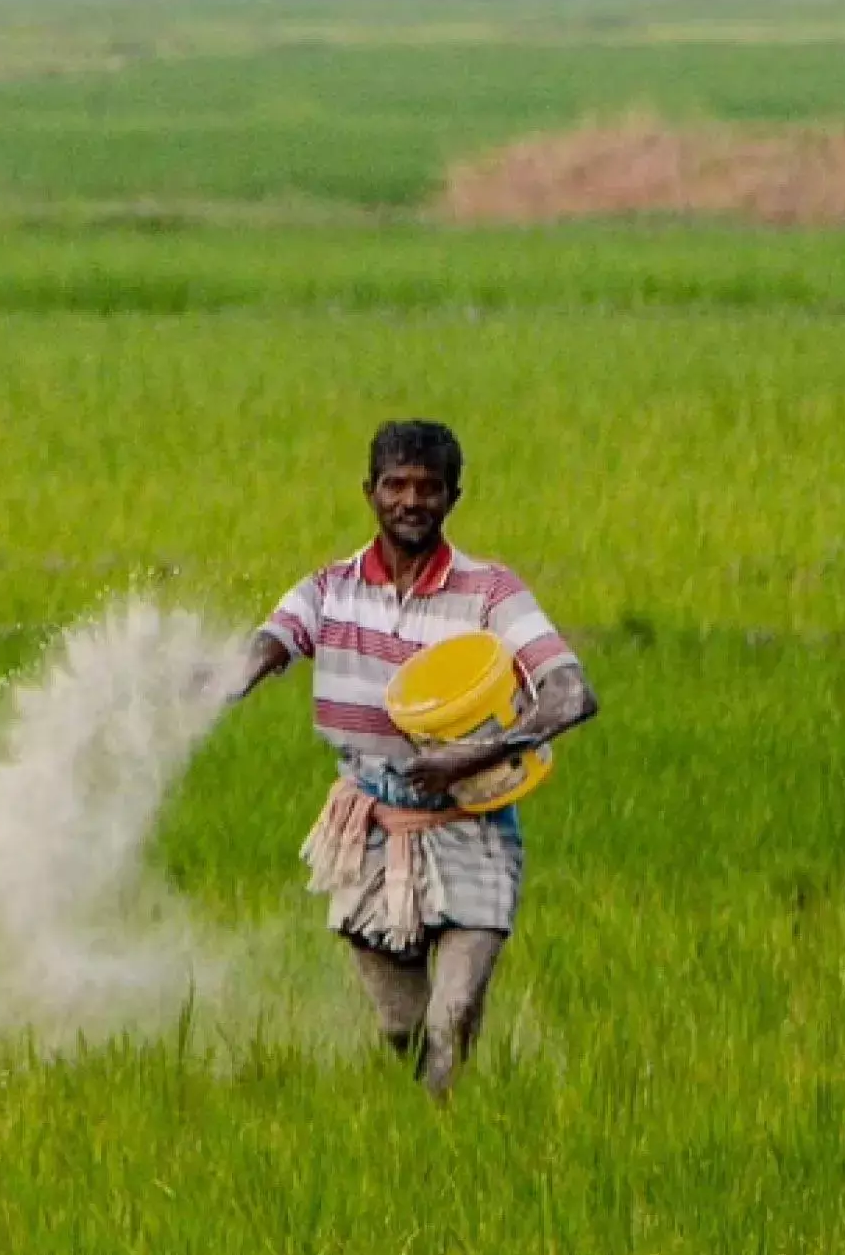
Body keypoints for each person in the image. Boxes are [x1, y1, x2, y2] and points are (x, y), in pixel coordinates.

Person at [225, 420, 598, 1099]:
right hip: (366, 829)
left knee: (452, 1019)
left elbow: (572, 693)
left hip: (472, 821)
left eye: (429, 488)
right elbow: (271, 643)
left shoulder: (491, 592)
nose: (411, 501)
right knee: (402, 1027)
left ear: (454, 496)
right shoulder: (328, 589)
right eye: (396, 485)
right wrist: (225, 681)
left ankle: (443, 1131)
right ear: (369, 492)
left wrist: (472, 755)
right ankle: (413, 1131)